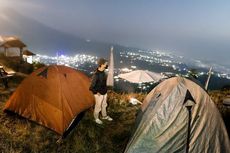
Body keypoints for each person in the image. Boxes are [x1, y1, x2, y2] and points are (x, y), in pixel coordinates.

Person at [89, 58, 113, 124]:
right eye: (105, 64)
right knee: (98, 107)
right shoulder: (96, 75)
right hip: (98, 94)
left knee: (104, 105)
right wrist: (97, 92)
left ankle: (104, 116)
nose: (107, 65)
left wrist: (106, 89)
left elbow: (103, 83)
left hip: (104, 92)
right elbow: (91, 87)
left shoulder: (103, 71)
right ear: (102, 64)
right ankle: (96, 118)